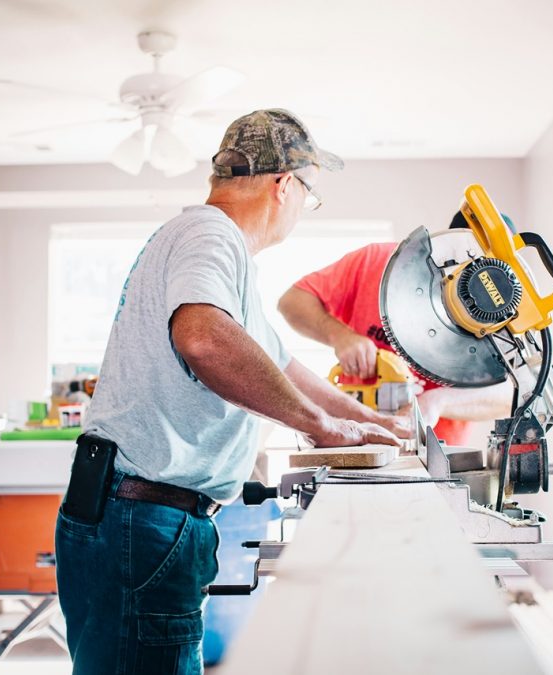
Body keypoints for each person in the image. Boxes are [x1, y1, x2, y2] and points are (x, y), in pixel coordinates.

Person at [55, 109, 406, 675]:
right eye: (308, 195)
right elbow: (204, 340)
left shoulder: (218, 251)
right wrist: (322, 427)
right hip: (141, 520)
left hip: (137, 515)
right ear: (285, 185)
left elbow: (283, 365)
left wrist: (373, 425)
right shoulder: (209, 233)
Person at [277, 211, 516, 447]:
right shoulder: (377, 262)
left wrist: (438, 401)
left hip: (435, 453)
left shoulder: (500, 314)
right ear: (445, 242)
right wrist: (339, 336)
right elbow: (292, 302)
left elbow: (512, 395)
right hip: (352, 438)